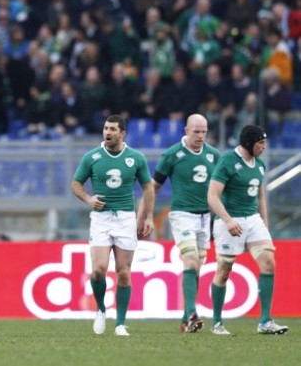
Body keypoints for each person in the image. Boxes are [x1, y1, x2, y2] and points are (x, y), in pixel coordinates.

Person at [71, 114, 155, 336]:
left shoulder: (136, 158)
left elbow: (148, 188)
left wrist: (146, 216)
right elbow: (76, 183)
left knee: (124, 272)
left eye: (112, 129)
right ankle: (100, 309)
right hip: (101, 218)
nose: (107, 132)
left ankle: (120, 323)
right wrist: (89, 199)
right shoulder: (92, 157)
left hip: (126, 218)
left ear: (122, 133)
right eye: (106, 128)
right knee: (98, 270)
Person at [140, 114, 220, 333]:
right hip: (181, 215)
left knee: (195, 268)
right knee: (191, 260)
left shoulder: (214, 155)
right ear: (186, 130)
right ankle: (193, 313)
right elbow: (152, 187)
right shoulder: (172, 154)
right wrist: (146, 216)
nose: (201, 136)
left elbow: (222, 188)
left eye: (204, 131)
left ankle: (186, 319)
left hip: (205, 218)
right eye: (196, 131)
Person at [208, 125, 288, 336]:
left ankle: (265, 321)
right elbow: (212, 196)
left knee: (269, 263)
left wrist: (264, 223)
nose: (264, 146)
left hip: (253, 220)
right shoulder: (228, 161)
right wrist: (227, 220)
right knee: (224, 271)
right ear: (248, 143)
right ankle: (216, 322)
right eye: (260, 143)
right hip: (229, 219)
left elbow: (260, 196)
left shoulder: (260, 165)